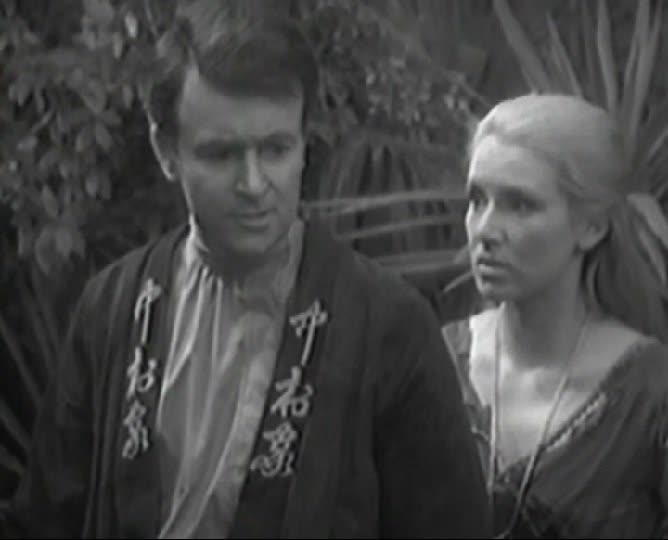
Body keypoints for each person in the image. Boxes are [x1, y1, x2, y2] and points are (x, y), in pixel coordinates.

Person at [5, 13, 489, 539]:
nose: (254, 184)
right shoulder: (114, 308)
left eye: (276, 149)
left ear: (304, 145)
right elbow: (45, 519)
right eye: (222, 155)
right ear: (166, 151)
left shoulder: (389, 326)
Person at [443, 94, 668, 538]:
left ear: (592, 226)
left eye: (520, 205)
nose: (486, 231)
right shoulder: (433, 364)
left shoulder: (663, 401)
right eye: (477, 200)